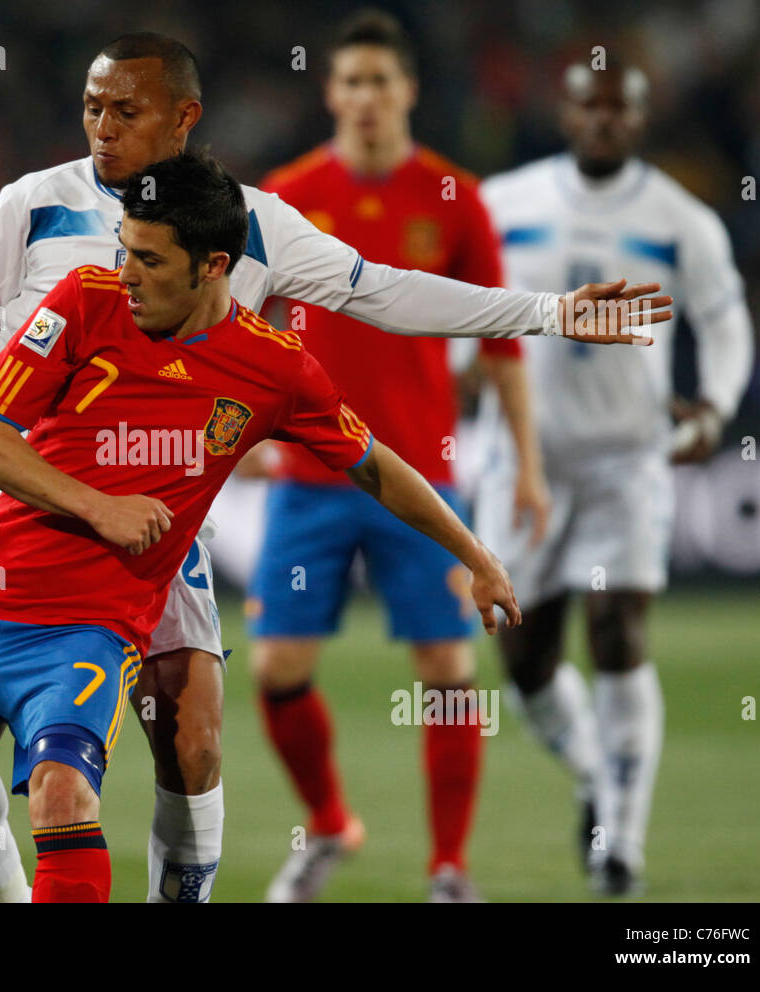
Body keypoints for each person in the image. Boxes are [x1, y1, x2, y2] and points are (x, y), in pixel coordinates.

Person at [0, 34, 668, 903]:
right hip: (14, 505)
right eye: (91, 107)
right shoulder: (35, 209)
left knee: (188, 734)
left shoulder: (251, 225)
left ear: (184, 118)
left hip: (151, 520)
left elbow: (386, 292)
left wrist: (544, 310)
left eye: (125, 108)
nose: (102, 126)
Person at [0, 149, 526, 903]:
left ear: (213, 266)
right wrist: (100, 506)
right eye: (123, 250)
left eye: (147, 259)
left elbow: (375, 466)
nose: (124, 272)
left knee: (69, 794)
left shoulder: (275, 369)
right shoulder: (82, 300)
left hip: (85, 631)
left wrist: (477, 556)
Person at [241, 9, 548, 904]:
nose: (367, 97)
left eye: (382, 81)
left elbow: (501, 341)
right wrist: (246, 431)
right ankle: (331, 826)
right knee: (276, 670)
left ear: (407, 90)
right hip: (311, 470)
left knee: (448, 673)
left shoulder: (453, 196)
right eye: (351, 82)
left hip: (422, 474)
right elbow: (246, 329)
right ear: (331, 93)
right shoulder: (287, 193)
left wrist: (527, 463)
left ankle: (449, 869)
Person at [473, 60, 754, 895]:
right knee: (524, 659)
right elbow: (465, 300)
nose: (602, 121)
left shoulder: (682, 220)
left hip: (629, 460)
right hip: (527, 460)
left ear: (640, 120)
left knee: (619, 633)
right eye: (588, 106)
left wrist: (713, 406)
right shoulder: (504, 202)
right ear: (564, 113)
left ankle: (620, 844)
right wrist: (456, 365)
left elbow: (725, 318)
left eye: (618, 110)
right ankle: (599, 771)